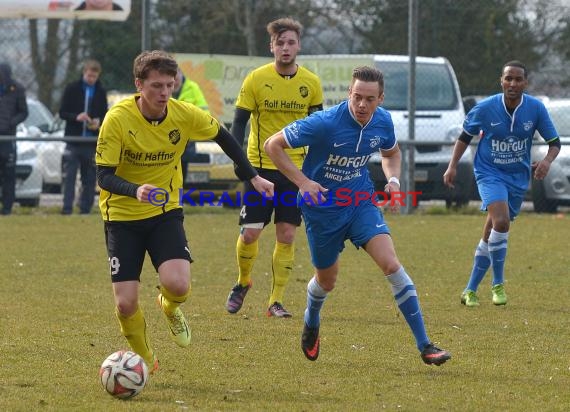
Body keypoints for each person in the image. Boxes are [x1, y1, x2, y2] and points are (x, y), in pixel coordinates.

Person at [95, 50, 273, 373]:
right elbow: (103, 176)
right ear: (139, 85)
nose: (164, 93)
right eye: (156, 86)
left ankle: (168, 305)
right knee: (125, 303)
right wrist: (136, 190)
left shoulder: (184, 114)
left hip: (165, 211)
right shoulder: (117, 119)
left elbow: (224, 137)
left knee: (178, 285)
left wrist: (254, 176)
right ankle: (145, 361)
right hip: (121, 217)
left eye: (169, 85)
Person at [264, 66, 451, 365]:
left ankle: (425, 345)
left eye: (370, 99)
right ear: (349, 94)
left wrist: (393, 182)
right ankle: (311, 319)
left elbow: (391, 154)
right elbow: (272, 145)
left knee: (391, 264)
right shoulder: (325, 123)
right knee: (326, 281)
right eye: (357, 97)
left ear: (380, 98)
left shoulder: (383, 121)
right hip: (322, 209)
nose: (362, 105)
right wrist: (304, 183)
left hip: (360, 201)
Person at [224, 17, 324, 318]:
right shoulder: (256, 79)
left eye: (290, 42)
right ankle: (243, 282)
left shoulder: (311, 83)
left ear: (298, 46)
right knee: (251, 233)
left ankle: (275, 301)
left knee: (287, 234)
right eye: (280, 43)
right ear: (272, 46)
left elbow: (318, 130)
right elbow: (239, 122)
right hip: (259, 168)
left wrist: (313, 172)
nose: (285, 48)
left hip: (294, 171)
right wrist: (241, 164)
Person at [444, 60, 560, 307]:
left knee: (490, 234)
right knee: (501, 222)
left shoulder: (536, 109)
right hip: (489, 172)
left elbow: (555, 143)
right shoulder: (485, 108)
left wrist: (547, 162)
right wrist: (452, 165)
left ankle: (470, 290)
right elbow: (465, 137)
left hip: (517, 177)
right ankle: (498, 285)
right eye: (508, 78)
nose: (513, 83)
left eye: (518, 79)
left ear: (525, 83)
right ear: (501, 81)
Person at [59, 59, 108, 215]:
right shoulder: (72, 88)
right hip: (73, 140)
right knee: (70, 177)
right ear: (84, 72)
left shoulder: (101, 91)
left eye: (94, 76)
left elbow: (105, 114)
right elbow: (62, 112)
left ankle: (85, 208)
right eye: (89, 75)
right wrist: (76, 117)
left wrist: (97, 121)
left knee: (89, 177)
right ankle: (67, 208)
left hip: (91, 141)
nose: (91, 79)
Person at [172, 67, 209, 186]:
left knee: (182, 169)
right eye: (173, 79)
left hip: (186, 137)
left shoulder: (193, 88)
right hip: (165, 135)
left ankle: (179, 198)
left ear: (181, 75)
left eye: (177, 78)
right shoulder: (164, 88)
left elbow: (204, 113)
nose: (175, 82)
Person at [0, 63, 28, 215]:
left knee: (9, 174)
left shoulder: (17, 89)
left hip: (9, 138)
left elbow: (24, 112)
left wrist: (11, 122)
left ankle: (7, 208)